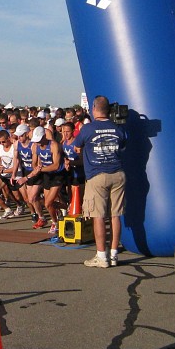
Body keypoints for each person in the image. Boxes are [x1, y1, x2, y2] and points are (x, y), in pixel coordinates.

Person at [73, 95, 128, 268]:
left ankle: (101, 256)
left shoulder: (88, 128)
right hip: (117, 173)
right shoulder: (117, 128)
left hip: (97, 175)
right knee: (115, 215)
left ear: (94, 108)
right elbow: (123, 146)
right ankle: (113, 254)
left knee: (98, 215)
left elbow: (76, 146)